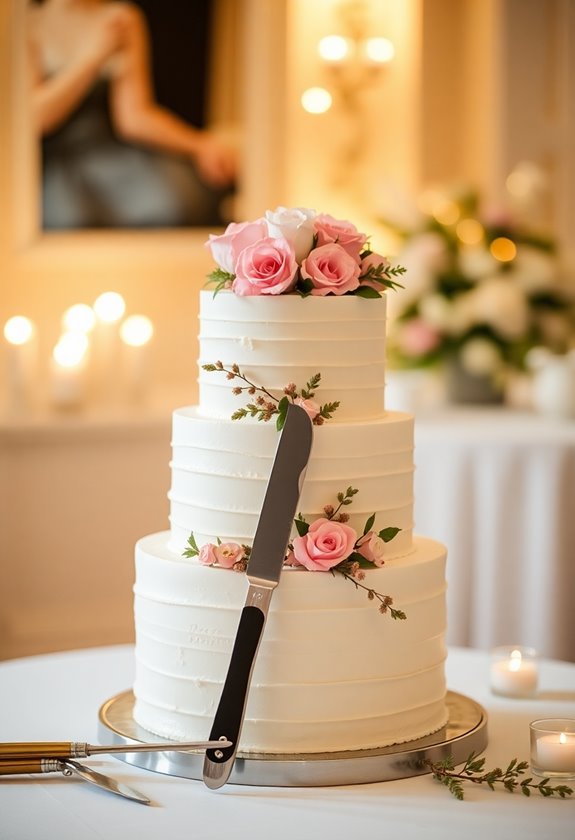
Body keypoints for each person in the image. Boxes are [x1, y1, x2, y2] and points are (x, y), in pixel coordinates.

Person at [27, 0, 238, 229]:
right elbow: (36, 120)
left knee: (175, 203)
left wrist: (199, 145)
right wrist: (94, 56)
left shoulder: (120, 18)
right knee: (69, 219)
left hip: (112, 154)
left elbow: (134, 118)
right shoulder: (25, 21)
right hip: (58, 162)